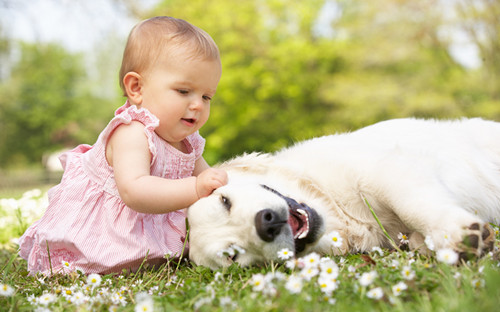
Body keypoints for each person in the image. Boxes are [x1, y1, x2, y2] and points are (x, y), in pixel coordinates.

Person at [18, 16, 228, 275]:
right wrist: (196, 187)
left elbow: (208, 179)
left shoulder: (190, 142)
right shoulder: (131, 132)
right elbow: (135, 191)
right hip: (106, 230)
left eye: (207, 96)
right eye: (184, 91)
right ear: (136, 87)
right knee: (90, 262)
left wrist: (219, 185)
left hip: (148, 228)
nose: (198, 104)